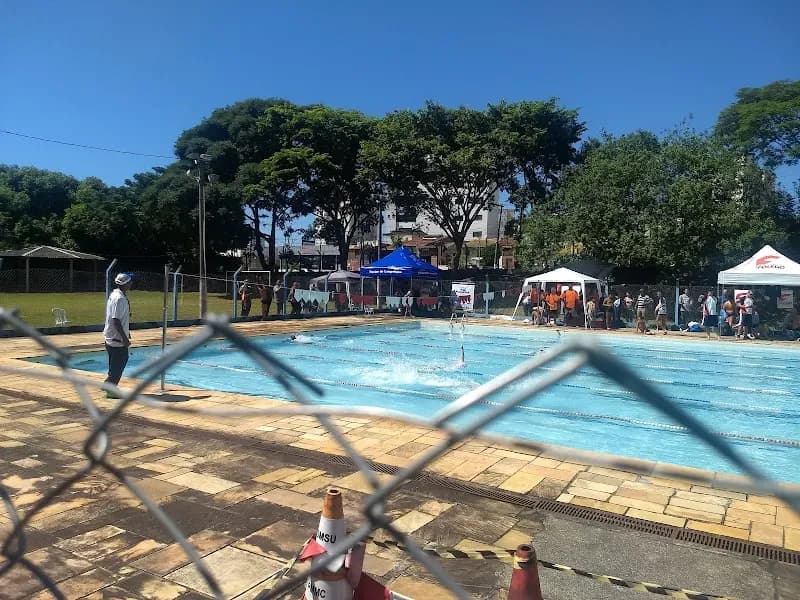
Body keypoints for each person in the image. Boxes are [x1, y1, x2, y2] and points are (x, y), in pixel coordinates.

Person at [103, 273, 133, 398]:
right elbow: (115, 320)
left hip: (112, 335)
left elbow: (118, 317)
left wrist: (127, 332)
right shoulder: (119, 299)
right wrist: (124, 338)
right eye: (130, 282)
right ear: (125, 284)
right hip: (117, 338)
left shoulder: (115, 294)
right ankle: (111, 390)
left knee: (114, 362)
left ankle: (108, 384)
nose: (131, 283)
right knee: (120, 362)